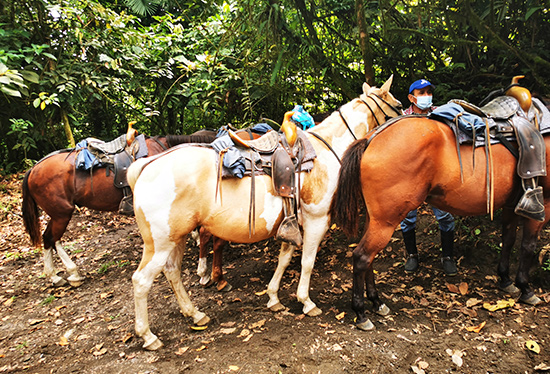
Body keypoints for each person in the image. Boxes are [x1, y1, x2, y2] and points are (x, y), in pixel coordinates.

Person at [401, 79, 458, 276]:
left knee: (445, 215)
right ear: (411, 97)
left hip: (438, 175)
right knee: (407, 217)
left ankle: (448, 257)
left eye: (428, 92)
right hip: (410, 176)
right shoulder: (402, 119)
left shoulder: (440, 114)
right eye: (421, 92)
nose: (426, 96)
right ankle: (412, 255)